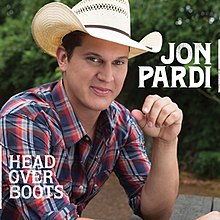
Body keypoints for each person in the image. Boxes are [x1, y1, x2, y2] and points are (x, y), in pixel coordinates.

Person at [0, 0, 183, 219]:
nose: (107, 77)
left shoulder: (121, 123)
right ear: (63, 58)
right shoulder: (22, 118)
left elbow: (155, 213)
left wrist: (166, 141)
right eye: (94, 59)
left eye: (118, 63)